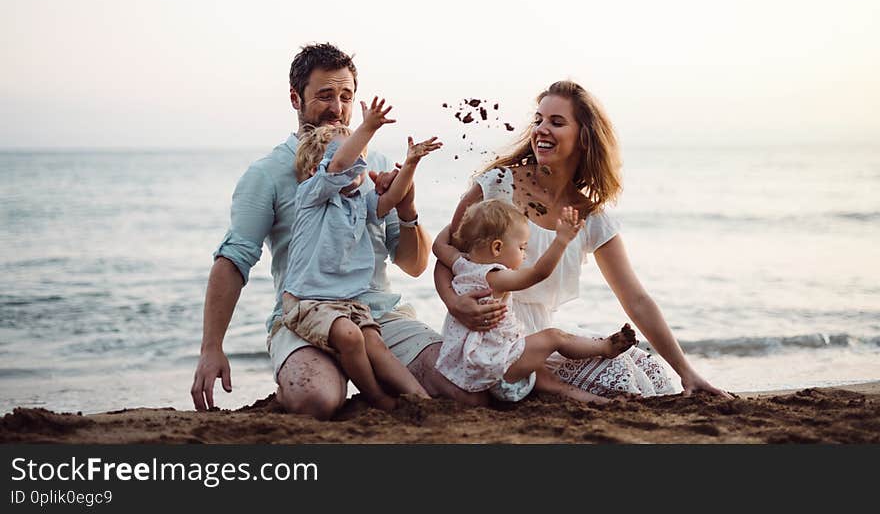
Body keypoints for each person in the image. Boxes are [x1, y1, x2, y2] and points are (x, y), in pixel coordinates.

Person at [191, 43, 488, 418]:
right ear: (295, 98)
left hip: (376, 315)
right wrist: (211, 348)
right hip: (306, 314)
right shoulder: (266, 174)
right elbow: (233, 260)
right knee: (314, 400)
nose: (337, 108)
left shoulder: (374, 164)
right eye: (324, 96)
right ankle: (345, 383)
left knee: (464, 390)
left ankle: (373, 391)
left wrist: (408, 208)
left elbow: (413, 265)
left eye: (346, 96)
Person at [434, 80, 731, 399]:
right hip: (486, 341)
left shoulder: (589, 216)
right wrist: (455, 303)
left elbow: (637, 300)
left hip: (545, 338)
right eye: (539, 120)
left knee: (645, 370)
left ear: (584, 138)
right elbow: (448, 258)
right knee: (617, 376)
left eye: (556, 122)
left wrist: (687, 372)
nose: (541, 130)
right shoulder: (497, 186)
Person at [277, 97, 440, 410]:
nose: (357, 167)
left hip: (350, 300)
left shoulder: (359, 203)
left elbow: (391, 198)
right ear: (316, 170)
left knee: (375, 344)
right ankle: (375, 397)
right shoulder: (312, 195)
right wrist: (367, 127)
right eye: (349, 159)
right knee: (351, 337)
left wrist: (411, 164)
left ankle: (423, 401)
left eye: (362, 162)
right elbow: (338, 167)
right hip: (308, 301)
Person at [433, 198, 637, 404]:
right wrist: (562, 240)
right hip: (499, 367)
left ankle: (604, 402)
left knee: (550, 383)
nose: (524, 254)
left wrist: (455, 227)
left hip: (477, 367)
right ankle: (605, 348)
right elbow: (539, 273)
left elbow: (438, 246)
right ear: (497, 247)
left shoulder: (460, 263)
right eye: (522, 248)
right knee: (555, 336)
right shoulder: (495, 277)